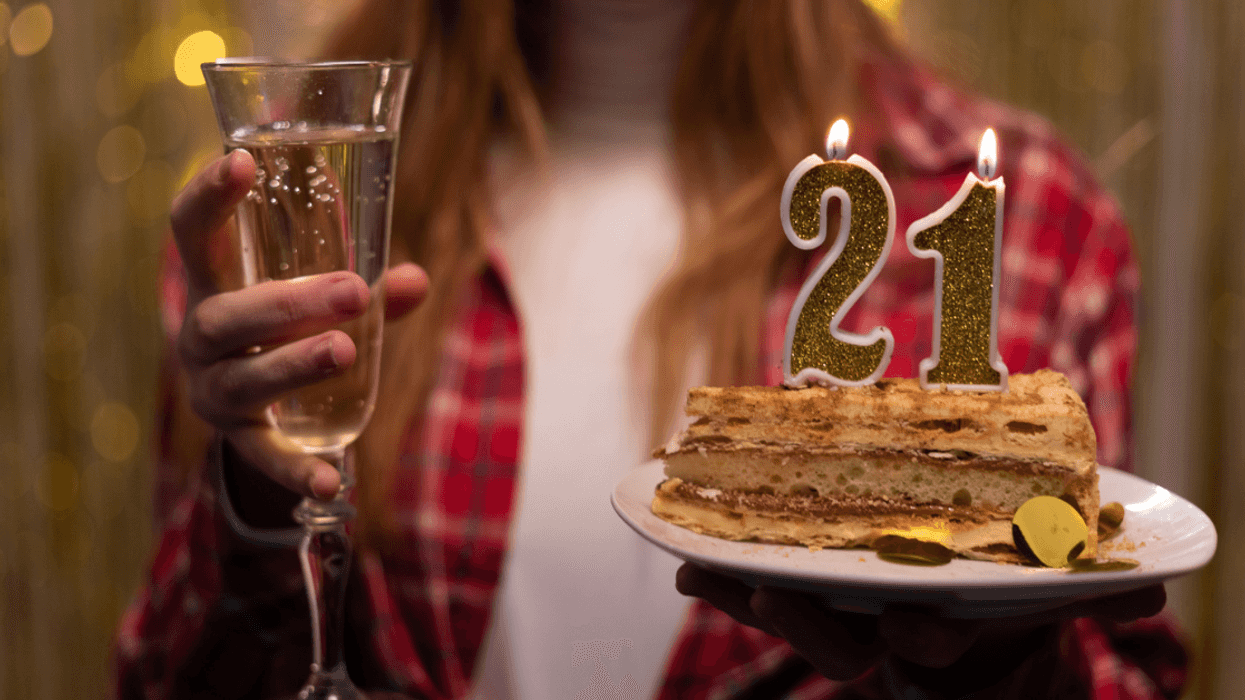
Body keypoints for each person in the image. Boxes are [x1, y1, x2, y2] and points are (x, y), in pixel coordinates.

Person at [115, 1, 1188, 698]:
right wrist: (256, 502)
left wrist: (997, 660)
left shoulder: (1032, 214)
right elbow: (173, 676)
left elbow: (1125, 678)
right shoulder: (292, 202)